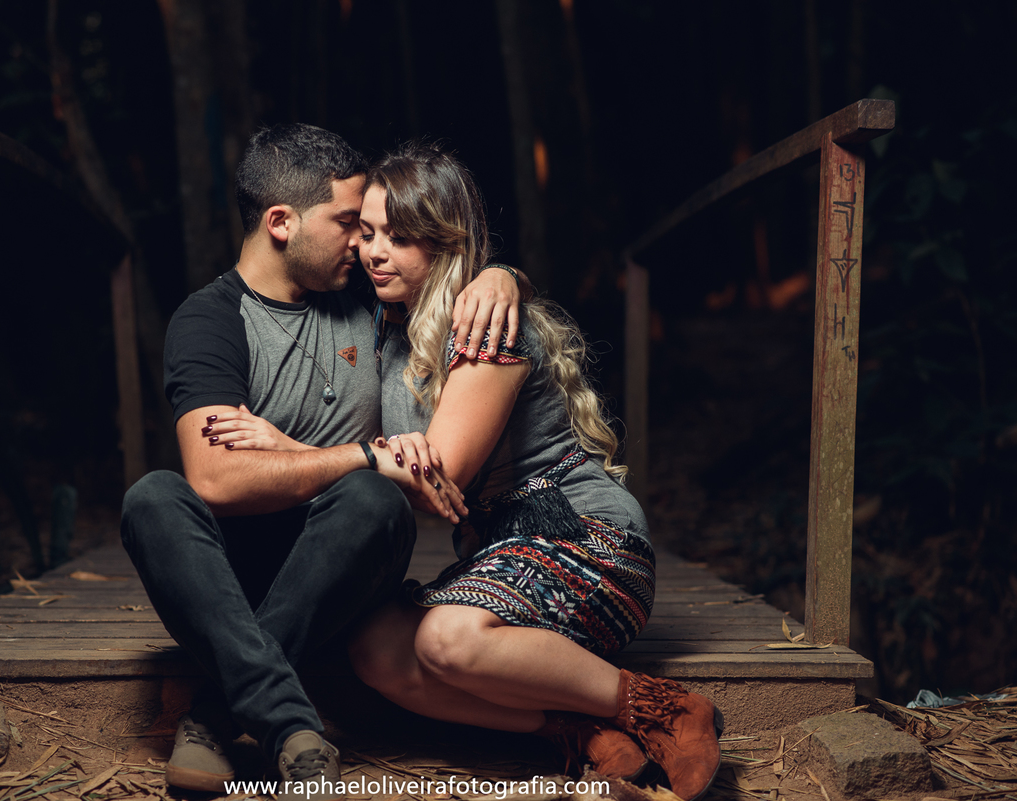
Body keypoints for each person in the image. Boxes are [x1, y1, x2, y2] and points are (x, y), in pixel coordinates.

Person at [212, 142, 724, 801]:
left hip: (586, 539)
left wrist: (287, 448)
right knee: (376, 648)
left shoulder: (486, 326)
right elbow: (376, 453)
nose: (374, 252)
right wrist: (507, 272)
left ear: (446, 244)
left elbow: (440, 480)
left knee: (447, 639)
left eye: (400, 237)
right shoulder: (388, 323)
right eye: (367, 232)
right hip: (500, 554)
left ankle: (664, 710)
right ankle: (579, 731)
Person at [120, 125, 523, 801]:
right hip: (236, 580)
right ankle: (286, 725)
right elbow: (214, 479)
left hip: (349, 561)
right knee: (153, 497)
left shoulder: (371, 297)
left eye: (370, 230)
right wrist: (365, 454)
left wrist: (503, 276)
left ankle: (213, 714)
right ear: (281, 223)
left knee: (372, 498)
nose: (365, 243)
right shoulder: (209, 321)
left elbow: (442, 262)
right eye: (348, 224)